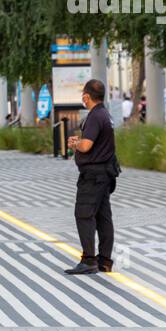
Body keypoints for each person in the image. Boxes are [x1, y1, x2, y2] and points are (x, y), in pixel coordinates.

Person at [65, 78, 119, 276]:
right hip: (105, 174)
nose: (83, 99)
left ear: (87, 96)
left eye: (83, 96)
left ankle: (89, 260)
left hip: (93, 176)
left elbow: (87, 146)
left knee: (84, 214)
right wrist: (81, 142)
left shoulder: (95, 116)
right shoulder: (105, 114)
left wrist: (75, 144)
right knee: (103, 217)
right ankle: (104, 260)